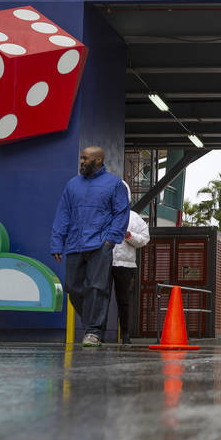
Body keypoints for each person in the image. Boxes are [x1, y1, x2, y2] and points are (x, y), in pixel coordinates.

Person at [51, 147, 129, 346]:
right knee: (73, 287)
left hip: (100, 244)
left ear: (99, 159)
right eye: (81, 158)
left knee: (97, 287)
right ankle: (91, 325)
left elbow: (121, 213)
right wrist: (57, 242)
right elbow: (63, 214)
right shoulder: (72, 185)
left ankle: (93, 331)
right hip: (75, 244)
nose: (82, 162)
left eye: (86, 158)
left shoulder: (114, 184)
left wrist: (110, 240)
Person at [111, 179, 149, 345]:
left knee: (124, 301)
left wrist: (129, 236)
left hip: (125, 266)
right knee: (100, 298)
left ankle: (125, 335)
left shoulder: (135, 219)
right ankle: (96, 332)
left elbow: (145, 239)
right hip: (104, 263)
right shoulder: (105, 216)